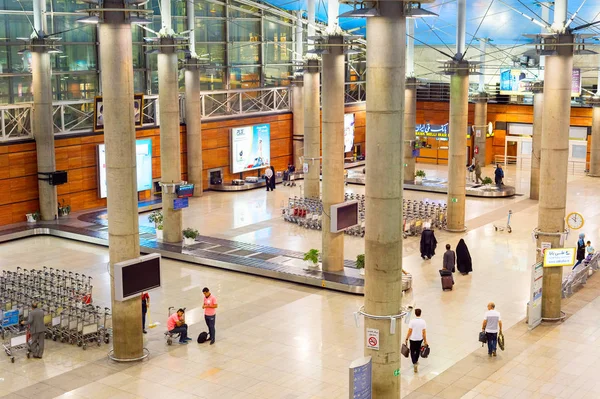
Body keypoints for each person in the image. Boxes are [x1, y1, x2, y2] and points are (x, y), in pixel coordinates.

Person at [404, 308, 427, 373]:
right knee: (418, 350)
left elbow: (410, 331)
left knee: (412, 351)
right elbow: (424, 332)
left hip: (412, 339)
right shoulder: (423, 322)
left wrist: (406, 338)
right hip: (420, 339)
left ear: (415, 313)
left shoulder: (412, 321)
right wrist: (425, 340)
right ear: (420, 313)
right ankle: (416, 361)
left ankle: (414, 362)